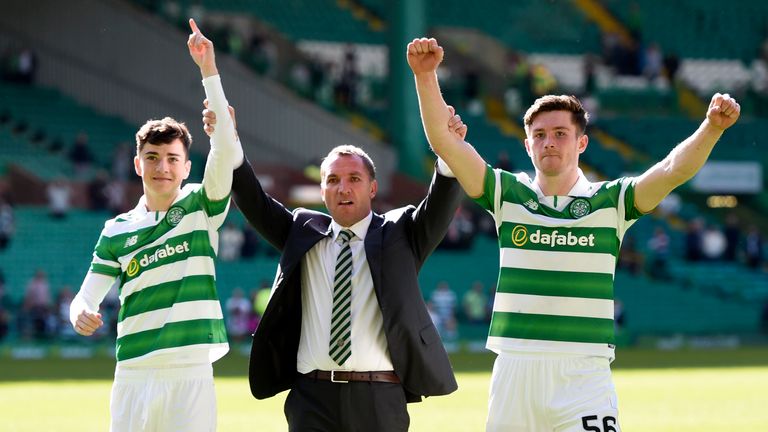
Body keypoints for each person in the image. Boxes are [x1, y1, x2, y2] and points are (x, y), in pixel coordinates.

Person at [407, 37, 742, 431]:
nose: (550, 142)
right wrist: (426, 75)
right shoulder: (506, 194)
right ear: (527, 144)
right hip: (517, 367)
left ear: (581, 142)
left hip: (585, 373)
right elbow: (444, 142)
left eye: (561, 133)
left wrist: (711, 128)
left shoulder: (612, 201)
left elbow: (671, 171)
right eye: (541, 134)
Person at [203, 107, 467, 432]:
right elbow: (253, 198)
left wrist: (449, 150)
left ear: (372, 188)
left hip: (379, 399)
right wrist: (227, 140)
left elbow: (439, 203)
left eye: (354, 179)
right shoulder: (301, 231)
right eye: (333, 180)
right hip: (311, 399)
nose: (343, 188)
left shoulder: (401, 233)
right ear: (323, 190)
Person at [68, 18, 241, 431]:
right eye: (152, 157)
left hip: (191, 369)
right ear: (137, 163)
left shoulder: (202, 205)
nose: (162, 166)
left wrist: (208, 70)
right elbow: (84, 297)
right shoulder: (116, 230)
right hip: (133, 371)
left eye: (172, 159)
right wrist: (81, 313)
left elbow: (226, 151)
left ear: (185, 168)